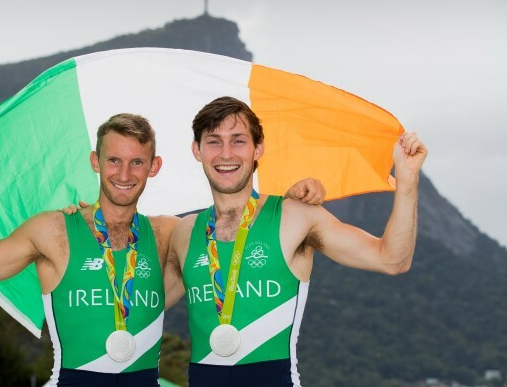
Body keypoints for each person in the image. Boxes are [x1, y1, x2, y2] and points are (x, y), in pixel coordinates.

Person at [0, 113, 325, 386]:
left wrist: (293, 200)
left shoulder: (169, 235)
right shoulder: (54, 231)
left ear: (153, 168)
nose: (124, 173)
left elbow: (239, 234)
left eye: (137, 162)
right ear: (95, 162)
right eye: (114, 161)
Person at [164, 96, 428, 386]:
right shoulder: (186, 232)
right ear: (197, 150)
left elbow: (391, 259)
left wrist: (407, 177)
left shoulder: (296, 216)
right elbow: (144, 309)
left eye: (238, 141)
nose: (226, 153)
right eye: (214, 141)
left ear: (258, 149)